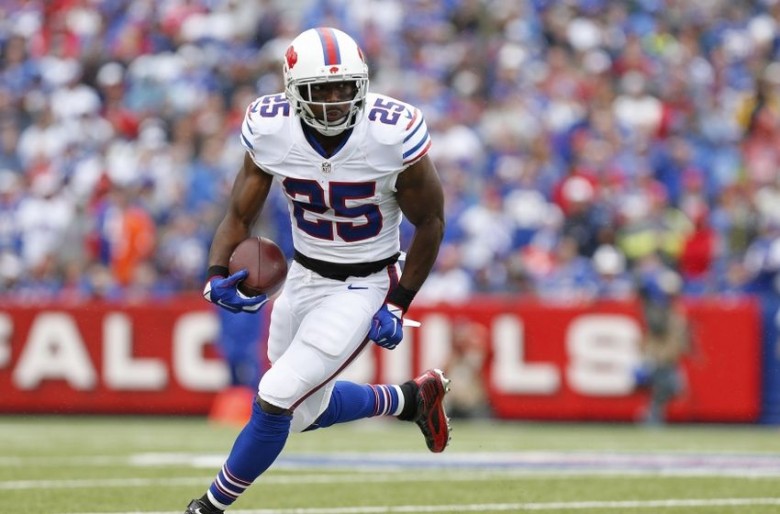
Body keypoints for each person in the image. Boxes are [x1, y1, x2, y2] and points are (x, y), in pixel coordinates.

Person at [186, 27, 449, 514]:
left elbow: (430, 222)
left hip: (366, 281)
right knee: (303, 413)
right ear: (293, 91)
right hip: (304, 274)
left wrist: (398, 302)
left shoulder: (391, 134)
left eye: (343, 88)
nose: (333, 102)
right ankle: (410, 399)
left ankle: (208, 507)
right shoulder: (271, 128)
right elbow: (240, 212)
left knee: (275, 395)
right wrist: (216, 272)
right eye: (320, 91)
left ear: (362, 84)